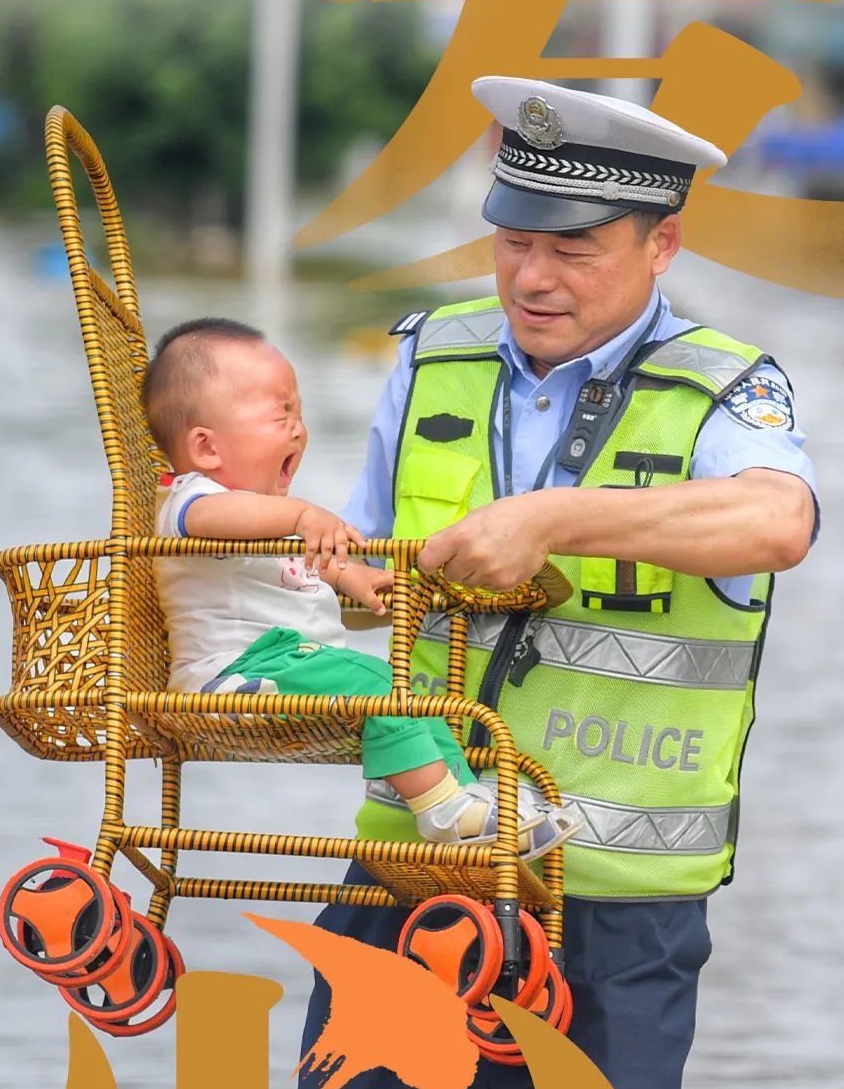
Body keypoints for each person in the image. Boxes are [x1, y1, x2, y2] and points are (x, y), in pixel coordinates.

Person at [292, 77, 821, 1089]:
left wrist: (555, 518)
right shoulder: (429, 360)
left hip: (618, 918)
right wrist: (300, 584)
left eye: (574, 247)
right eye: (514, 233)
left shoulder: (732, 390)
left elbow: (778, 522)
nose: (532, 272)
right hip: (411, 891)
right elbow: (375, 592)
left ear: (660, 248)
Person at [140, 319, 580, 860]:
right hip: (231, 676)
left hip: (286, 663)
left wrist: (356, 576)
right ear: (206, 448)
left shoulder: (264, 520)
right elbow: (219, 519)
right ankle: (441, 807)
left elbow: (309, 560)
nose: (299, 429)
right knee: (379, 684)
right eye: (280, 414)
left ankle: (467, 801)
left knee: (411, 694)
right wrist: (302, 514)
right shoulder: (193, 500)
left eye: (299, 413)